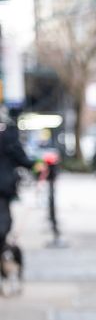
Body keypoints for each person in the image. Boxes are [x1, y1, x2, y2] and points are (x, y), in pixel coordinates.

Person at [0, 106, 33, 256]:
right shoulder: (8, 135)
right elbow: (20, 157)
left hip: (4, 186)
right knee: (3, 223)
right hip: (3, 186)